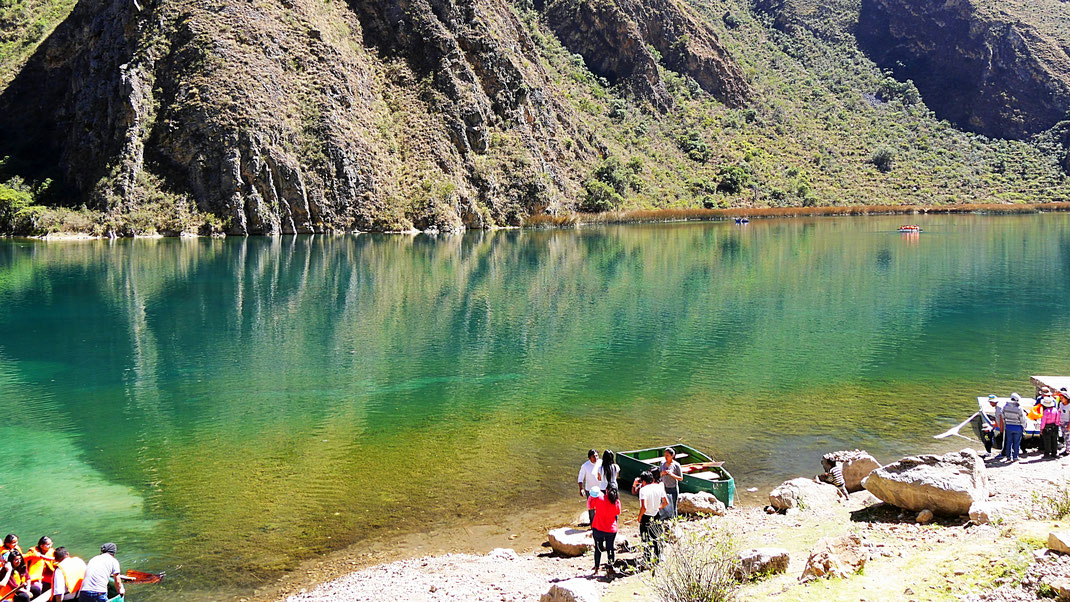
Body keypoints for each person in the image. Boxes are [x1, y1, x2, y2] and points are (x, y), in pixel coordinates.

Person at [637, 471, 669, 564]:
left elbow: (644, 507)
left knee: (645, 538)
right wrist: (658, 507)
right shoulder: (659, 487)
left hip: (646, 516)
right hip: (656, 515)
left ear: (643, 481)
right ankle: (657, 558)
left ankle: (646, 559)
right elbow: (666, 502)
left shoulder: (643, 490)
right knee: (656, 537)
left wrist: (639, 517)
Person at [589, 486, 621, 574]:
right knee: (610, 548)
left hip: (598, 527)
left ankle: (596, 568)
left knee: (598, 549)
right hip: (611, 529)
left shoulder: (599, 498)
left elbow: (591, 506)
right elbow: (618, 512)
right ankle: (610, 568)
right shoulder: (617, 502)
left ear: (606, 490)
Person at [577, 449, 604, 523]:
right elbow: (580, 478)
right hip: (590, 490)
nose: (596, 458)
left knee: (601, 506)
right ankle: (593, 524)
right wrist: (581, 488)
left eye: (597, 456)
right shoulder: (585, 466)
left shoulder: (601, 463)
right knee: (591, 508)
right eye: (593, 456)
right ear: (589, 458)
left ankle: (600, 523)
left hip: (600, 489)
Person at [1002, 393, 1027, 462]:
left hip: (1008, 426)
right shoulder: (1019, 408)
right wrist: (1024, 426)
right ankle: (1015, 457)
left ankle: (1008, 456)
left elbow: (1003, 417)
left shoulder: (1005, 407)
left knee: (1008, 442)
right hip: (1018, 427)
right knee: (1016, 442)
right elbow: (1022, 419)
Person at [659, 448, 683, 514]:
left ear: (672, 456)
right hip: (664, 488)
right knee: (664, 505)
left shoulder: (676, 465)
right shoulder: (662, 463)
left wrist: (672, 474)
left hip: (673, 488)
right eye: (665, 455)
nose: (666, 457)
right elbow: (659, 475)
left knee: (673, 506)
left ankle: (674, 520)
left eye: (667, 455)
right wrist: (662, 473)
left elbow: (681, 478)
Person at [1040, 394, 1061, 458]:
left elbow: (1043, 421)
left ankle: (1047, 453)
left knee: (1047, 441)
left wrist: (1041, 429)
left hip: (1047, 427)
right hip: (1054, 426)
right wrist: (1057, 425)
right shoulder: (1056, 410)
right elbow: (1058, 420)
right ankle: (1054, 453)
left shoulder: (1045, 412)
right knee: (1054, 440)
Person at [1059, 388, 1070, 457]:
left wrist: (1069, 425)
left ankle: (1068, 450)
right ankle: (1066, 448)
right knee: (1064, 436)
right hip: (1061, 422)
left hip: (1067, 422)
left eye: (1062, 398)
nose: (1061, 399)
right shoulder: (1061, 404)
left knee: (1068, 437)